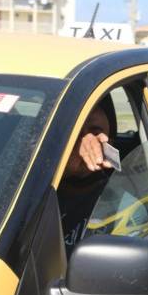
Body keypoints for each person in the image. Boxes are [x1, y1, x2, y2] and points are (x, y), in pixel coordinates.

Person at [58, 95, 117, 255]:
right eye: (75, 131)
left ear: (108, 146)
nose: (86, 141)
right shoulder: (31, 184)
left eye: (95, 132)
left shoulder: (119, 204)